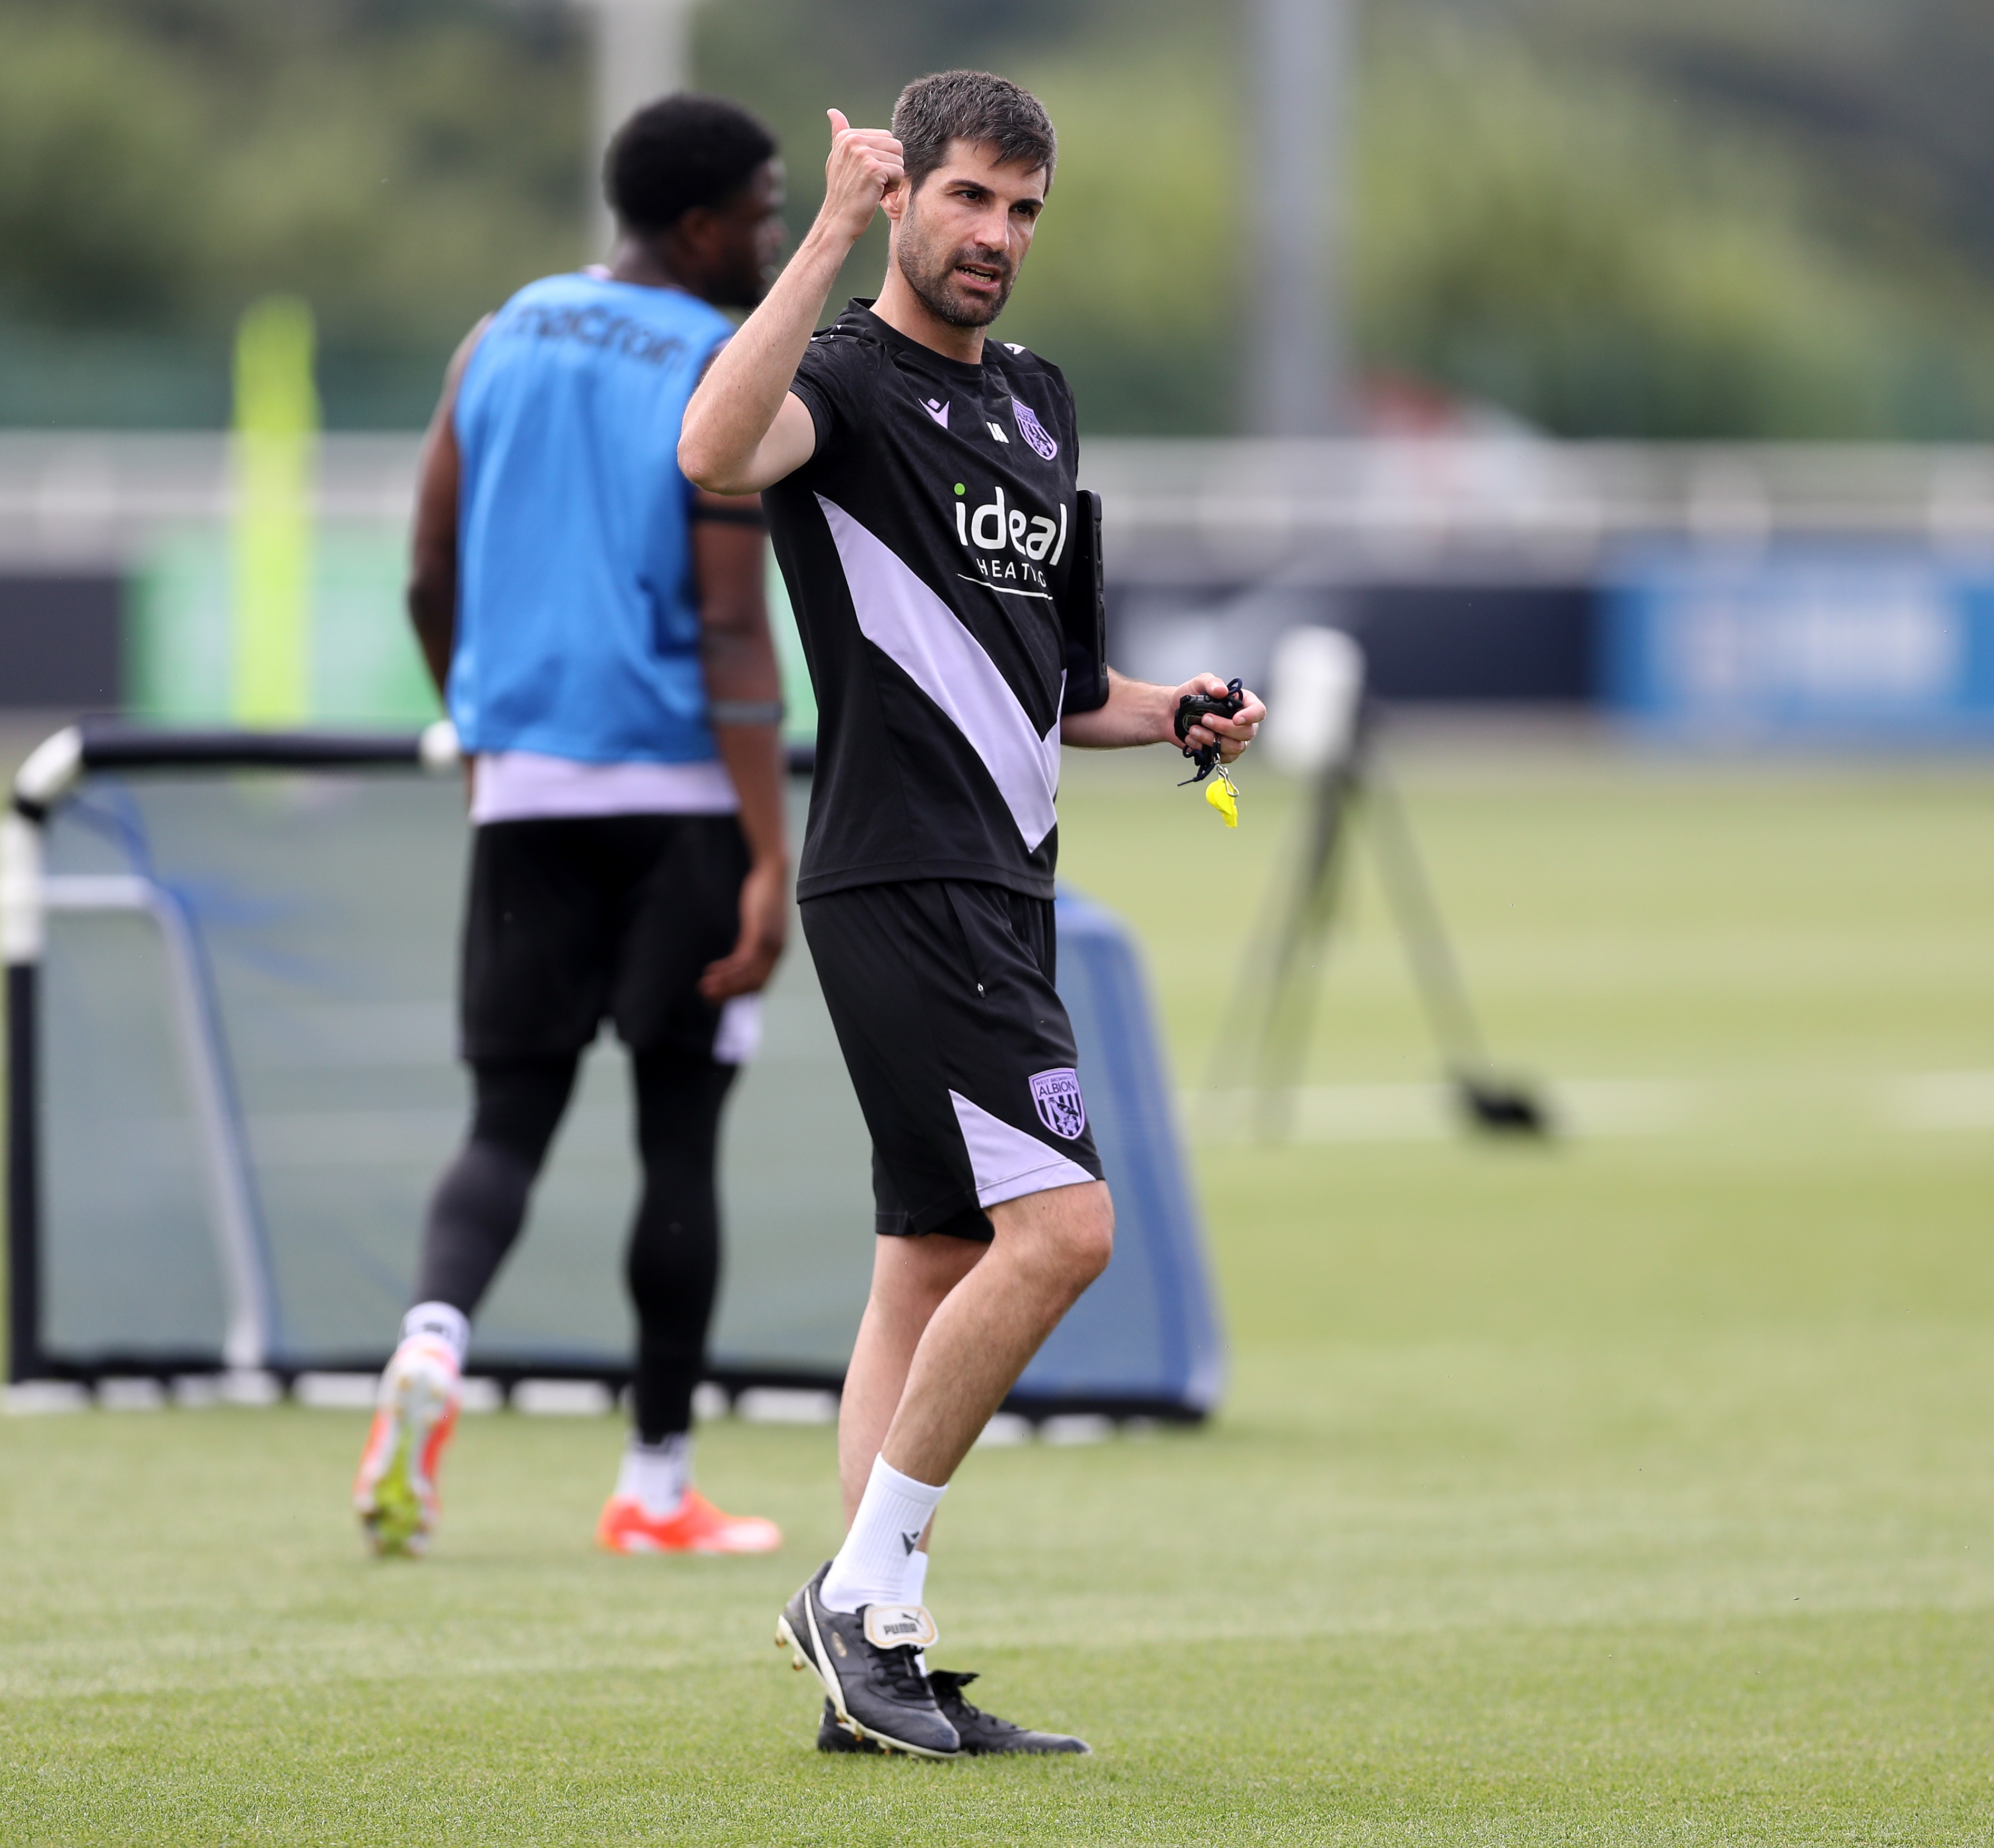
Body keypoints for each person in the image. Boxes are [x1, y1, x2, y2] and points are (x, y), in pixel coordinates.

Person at [677, 71, 1265, 1755]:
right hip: (902, 874)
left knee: (932, 1260)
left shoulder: (1041, 406)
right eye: (968, 201)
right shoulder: (838, 388)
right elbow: (712, 449)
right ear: (906, 198)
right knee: (1063, 1233)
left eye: (1023, 210)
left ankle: (884, 1647)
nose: (998, 235)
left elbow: (1060, 681)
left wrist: (1178, 710)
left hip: (1006, 884)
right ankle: (855, 1596)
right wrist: (830, 237)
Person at [352, 94, 795, 1561]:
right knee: (678, 1140)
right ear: (697, 227)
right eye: (762, 210)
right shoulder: (721, 364)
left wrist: (478, 734)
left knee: (506, 1124)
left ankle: (428, 1343)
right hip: (677, 800)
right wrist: (769, 853)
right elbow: (733, 630)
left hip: (527, 787)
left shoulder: (499, 335)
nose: (776, 234)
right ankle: (654, 1485)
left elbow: (427, 566)